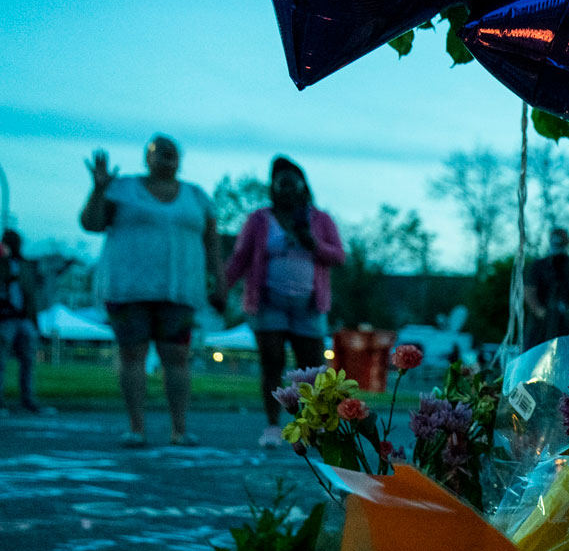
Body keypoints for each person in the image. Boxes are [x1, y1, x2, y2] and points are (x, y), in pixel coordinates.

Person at [80, 135, 224, 447]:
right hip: (128, 288)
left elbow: (212, 241)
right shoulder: (123, 188)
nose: (166, 155)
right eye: (158, 151)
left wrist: (219, 280)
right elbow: (91, 224)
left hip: (179, 289)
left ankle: (179, 429)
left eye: (172, 151)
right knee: (132, 354)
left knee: (177, 356)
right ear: (147, 158)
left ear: (180, 158)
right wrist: (99, 188)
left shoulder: (196, 196)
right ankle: (136, 427)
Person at [224, 156, 345, 447]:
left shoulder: (320, 220)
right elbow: (240, 257)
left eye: (293, 182)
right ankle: (272, 426)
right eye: (282, 183)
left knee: (312, 367)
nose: (288, 189)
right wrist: (221, 288)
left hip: (309, 304)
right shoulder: (258, 220)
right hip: (268, 302)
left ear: (303, 185)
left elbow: (339, 256)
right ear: (274, 187)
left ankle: (315, 425)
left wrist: (312, 243)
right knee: (272, 362)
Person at [524, 226, 569, 348]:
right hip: (540, 326)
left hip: (566, 325)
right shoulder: (539, 266)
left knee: (565, 355)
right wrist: (538, 310)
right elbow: (528, 291)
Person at [0, 229, 45, 414]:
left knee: (28, 361)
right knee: (1, 362)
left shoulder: (26, 265)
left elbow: (31, 295)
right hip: (5, 319)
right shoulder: (2, 264)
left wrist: (33, 321)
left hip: (23, 318)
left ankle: (28, 400)